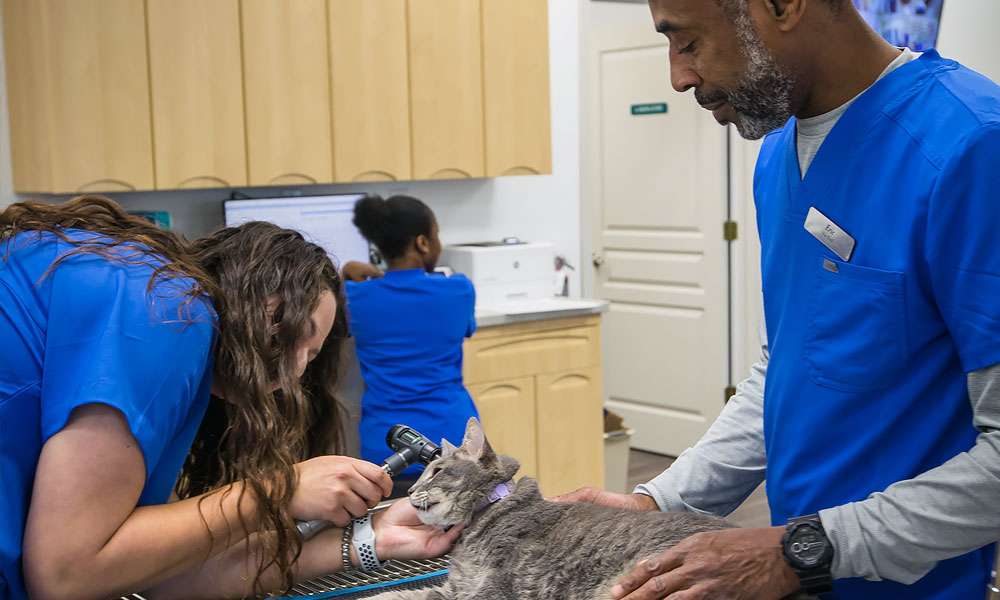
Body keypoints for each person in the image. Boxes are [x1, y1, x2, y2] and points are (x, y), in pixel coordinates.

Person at [557, 1, 1000, 599]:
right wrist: (657, 502)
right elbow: (793, 365)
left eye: (687, 43)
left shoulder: (971, 146)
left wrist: (802, 551)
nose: (678, 77)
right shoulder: (778, 154)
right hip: (801, 574)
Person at [0, 196, 460, 600]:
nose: (296, 370)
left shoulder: (162, 322)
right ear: (255, 288)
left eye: (312, 356)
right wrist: (277, 491)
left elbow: (151, 575)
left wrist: (372, 537)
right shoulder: (169, 313)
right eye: (297, 332)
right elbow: (65, 574)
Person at [341, 195, 478, 491]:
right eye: (436, 234)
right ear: (422, 243)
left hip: (386, 444)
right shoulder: (459, 290)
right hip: (453, 439)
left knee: (393, 529)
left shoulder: (354, 297)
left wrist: (344, 276)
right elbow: (464, 328)